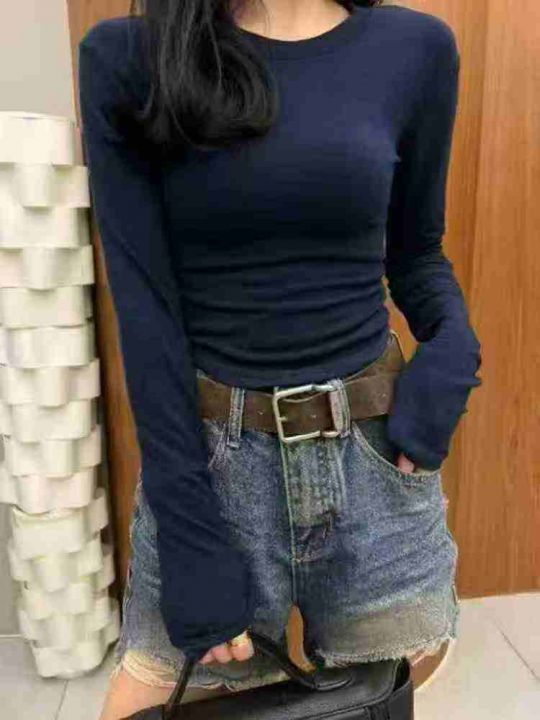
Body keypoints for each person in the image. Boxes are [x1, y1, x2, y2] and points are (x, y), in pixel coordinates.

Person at [78, 0, 482, 717]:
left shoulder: (415, 48)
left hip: (374, 456)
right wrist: (188, 531)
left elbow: (417, 253)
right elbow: (145, 313)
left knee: (376, 697)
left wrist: (453, 349)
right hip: (214, 464)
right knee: (145, 699)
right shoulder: (132, 58)